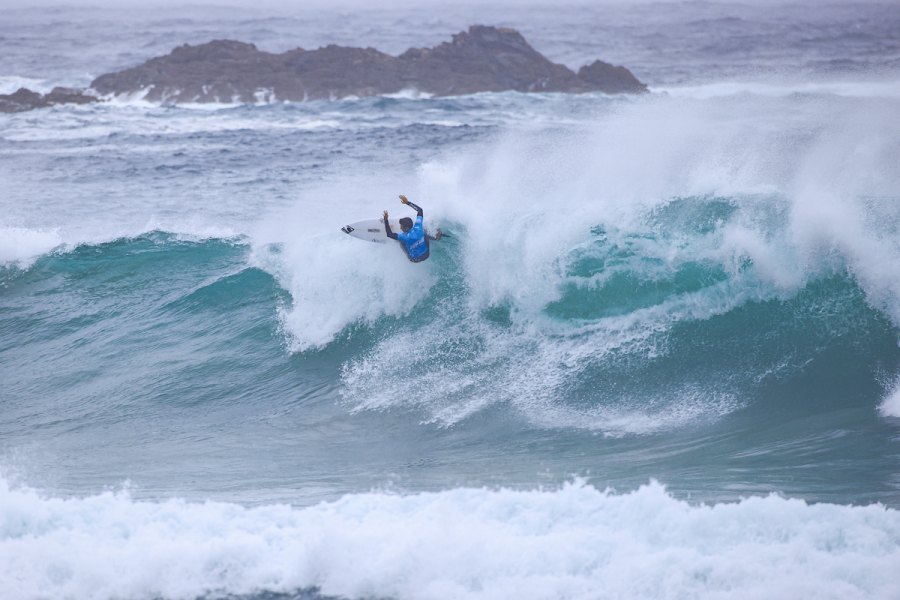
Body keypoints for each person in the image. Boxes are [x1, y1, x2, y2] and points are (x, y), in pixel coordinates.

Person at [384, 194, 442, 262]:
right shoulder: (418, 227)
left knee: (400, 241)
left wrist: (386, 220)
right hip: (427, 254)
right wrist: (407, 202)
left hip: (414, 259)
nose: (400, 227)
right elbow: (420, 210)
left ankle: (407, 255)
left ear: (405, 228)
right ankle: (435, 238)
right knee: (424, 232)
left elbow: (389, 234)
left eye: (401, 226)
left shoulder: (403, 236)